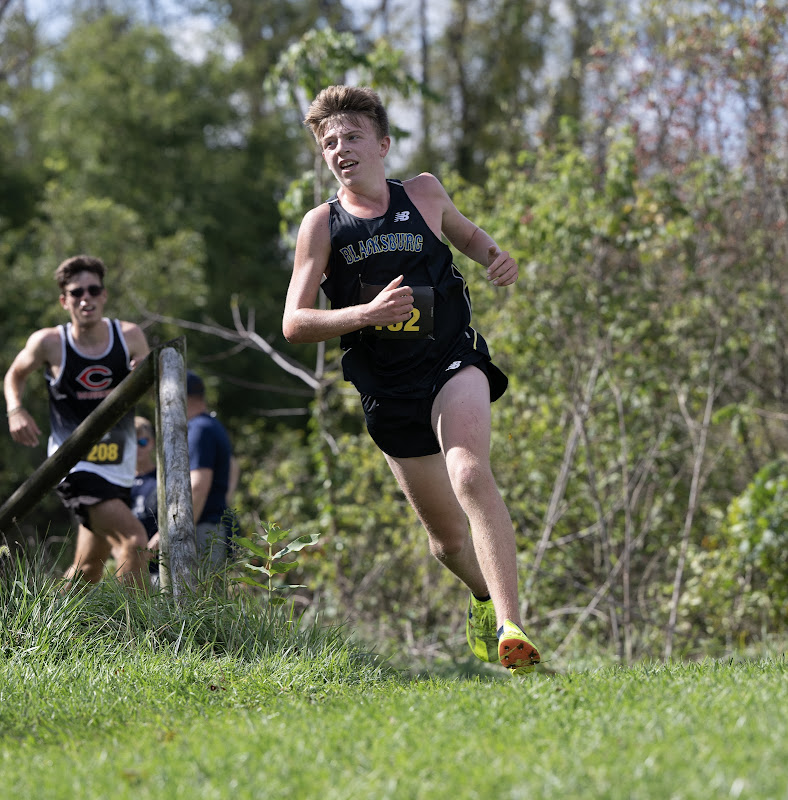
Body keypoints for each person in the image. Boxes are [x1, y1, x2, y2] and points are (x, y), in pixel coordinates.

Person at [282, 85, 540, 675]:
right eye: (329, 143)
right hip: (387, 388)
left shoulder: (423, 193)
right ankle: (481, 599)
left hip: (452, 359)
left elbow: (468, 236)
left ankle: (511, 626)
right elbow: (294, 323)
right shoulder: (322, 226)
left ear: (382, 144)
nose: (340, 149)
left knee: (470, 472)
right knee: (447, 544)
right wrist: (366, 314)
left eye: (351, 137)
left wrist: (496, 256)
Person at [4, 254, 150, 587]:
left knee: (88, 570)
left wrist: (142, 373)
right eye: (76, 293)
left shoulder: (129, 337)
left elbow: (148, 387)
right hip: (75, 466)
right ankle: (143, 634)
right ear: (64, 300)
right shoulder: (50, 343)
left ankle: (53, 622)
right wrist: (15, 409)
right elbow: (15, 375)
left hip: (119, 465)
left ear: (104, 295)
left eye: (93, 290)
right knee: (134, 539)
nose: (86, 299)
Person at [185, 370, 236, 567]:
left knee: (199, 596)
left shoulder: (199, 429)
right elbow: (234, 465)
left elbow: (198, 484)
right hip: (212, 526)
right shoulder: (212, 425)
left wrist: (182, 534)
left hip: (202, 530)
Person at [130, 416, 160, 581]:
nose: (137, 447)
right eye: (132, 442)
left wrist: (149, 551)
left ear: (152, 443)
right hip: (129, 565)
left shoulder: (162, 477)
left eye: (142, 442)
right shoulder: (120, 480)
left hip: (160, 565)